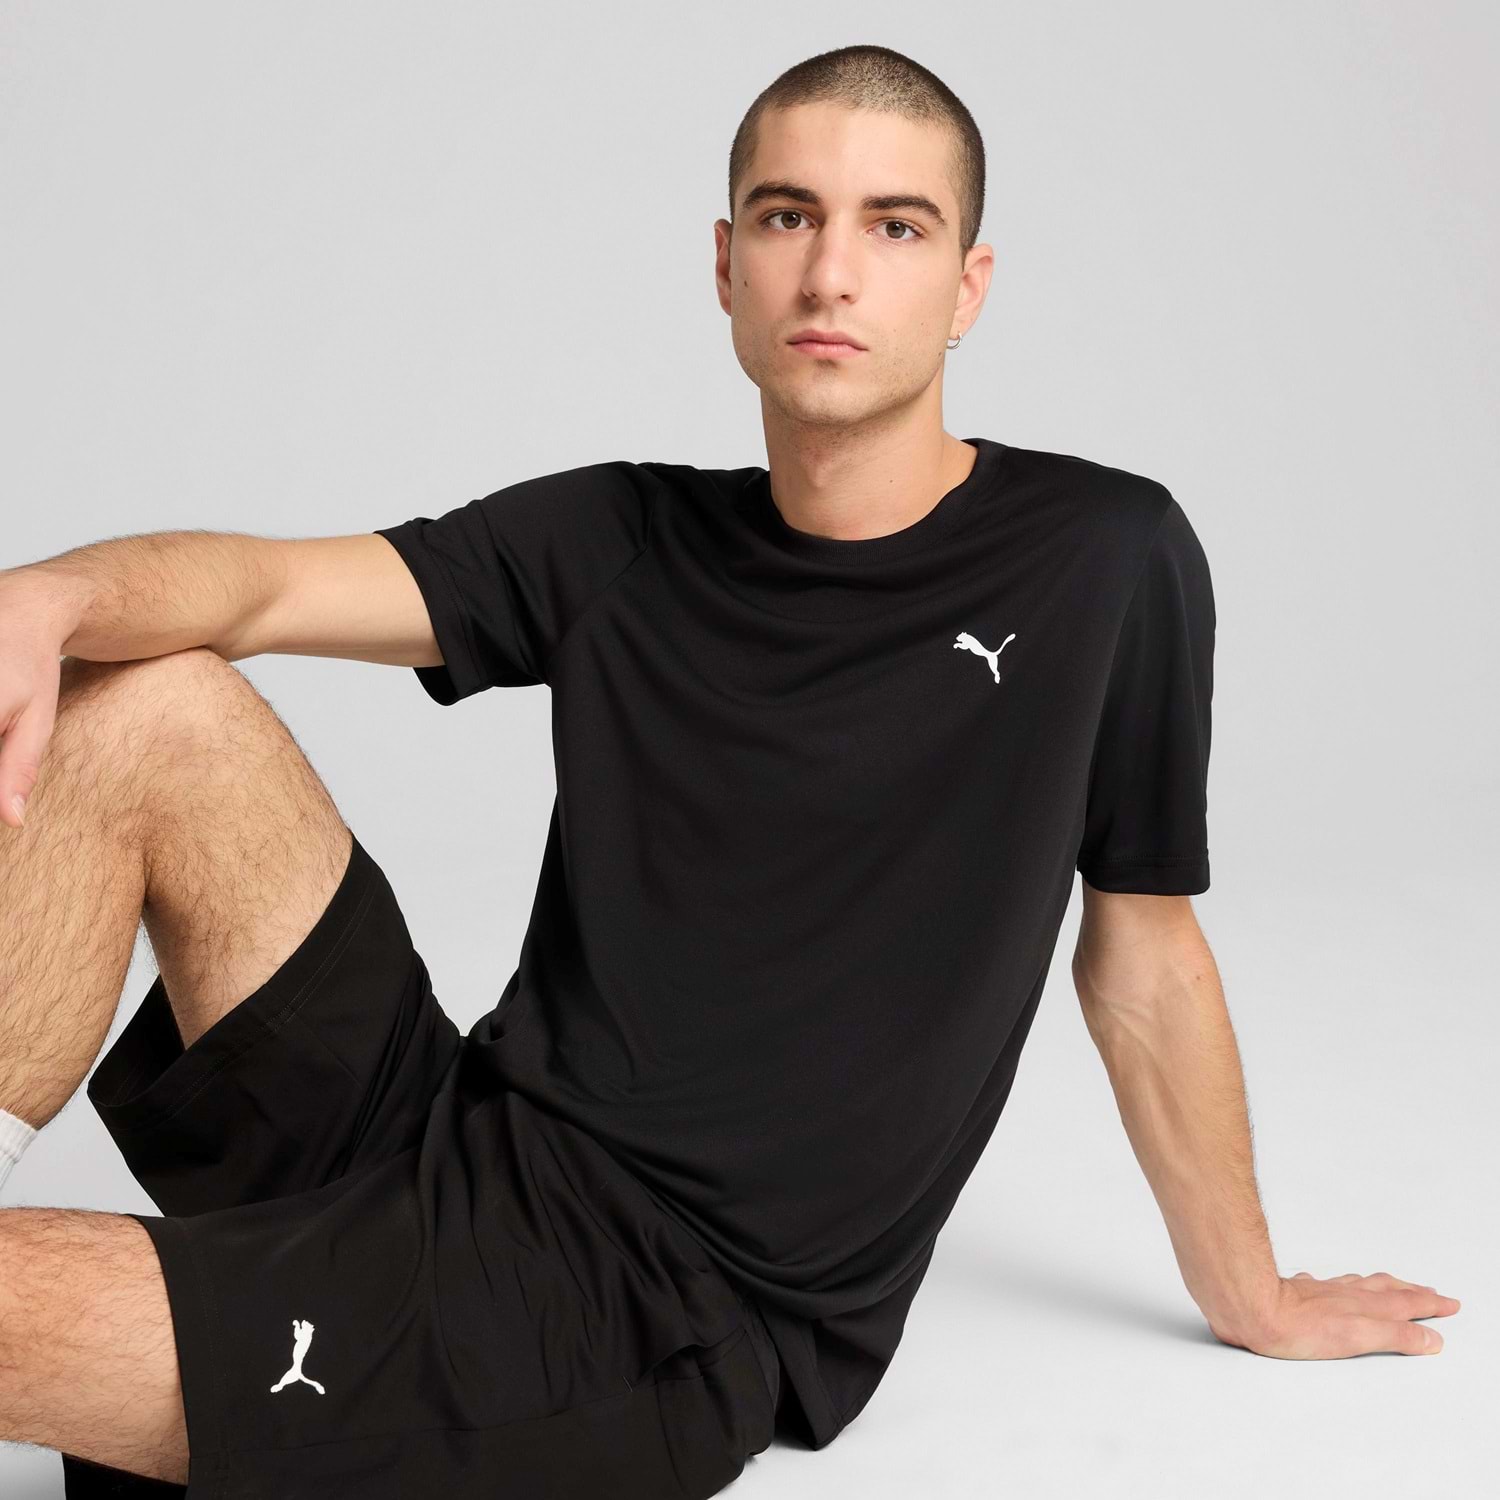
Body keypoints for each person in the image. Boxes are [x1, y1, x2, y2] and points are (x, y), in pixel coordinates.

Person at [0, 42, 1459, 1500]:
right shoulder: (625, 536)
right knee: (143, 695)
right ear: (727, 266)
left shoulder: (1106, 556)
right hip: (451, 1142)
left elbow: (1142, 952)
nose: (832, 273)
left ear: (968, 288)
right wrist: (50, 595)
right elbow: (259, 587)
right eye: (787, 216)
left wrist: (1251, 1291)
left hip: (650, 1310)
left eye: (896, 226)